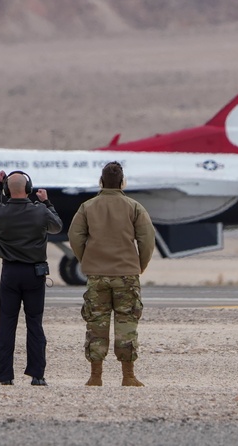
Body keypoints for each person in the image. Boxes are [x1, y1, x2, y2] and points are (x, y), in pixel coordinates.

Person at [67, 161, 155, 387]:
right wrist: (138, 266)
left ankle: (95, 376)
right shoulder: (134, 207)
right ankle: (128, 376)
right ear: (122, 182)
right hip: (127, 274)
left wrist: (87, 260)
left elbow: (75, 237)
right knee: (127, 323)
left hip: (96, 275)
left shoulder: (87, 207)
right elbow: (146, 240)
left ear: (101, 181)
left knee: (96, 323)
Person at [0, 170, 63, 386]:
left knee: (6, 324)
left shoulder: (0, 211)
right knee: (34, 323)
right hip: (34, 273)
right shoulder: (40, 212)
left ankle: (4, 375)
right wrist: (47, 203)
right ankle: (37, 375)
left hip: (10, 272)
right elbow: (57, 226)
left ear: (8, 190)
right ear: (28, 189)